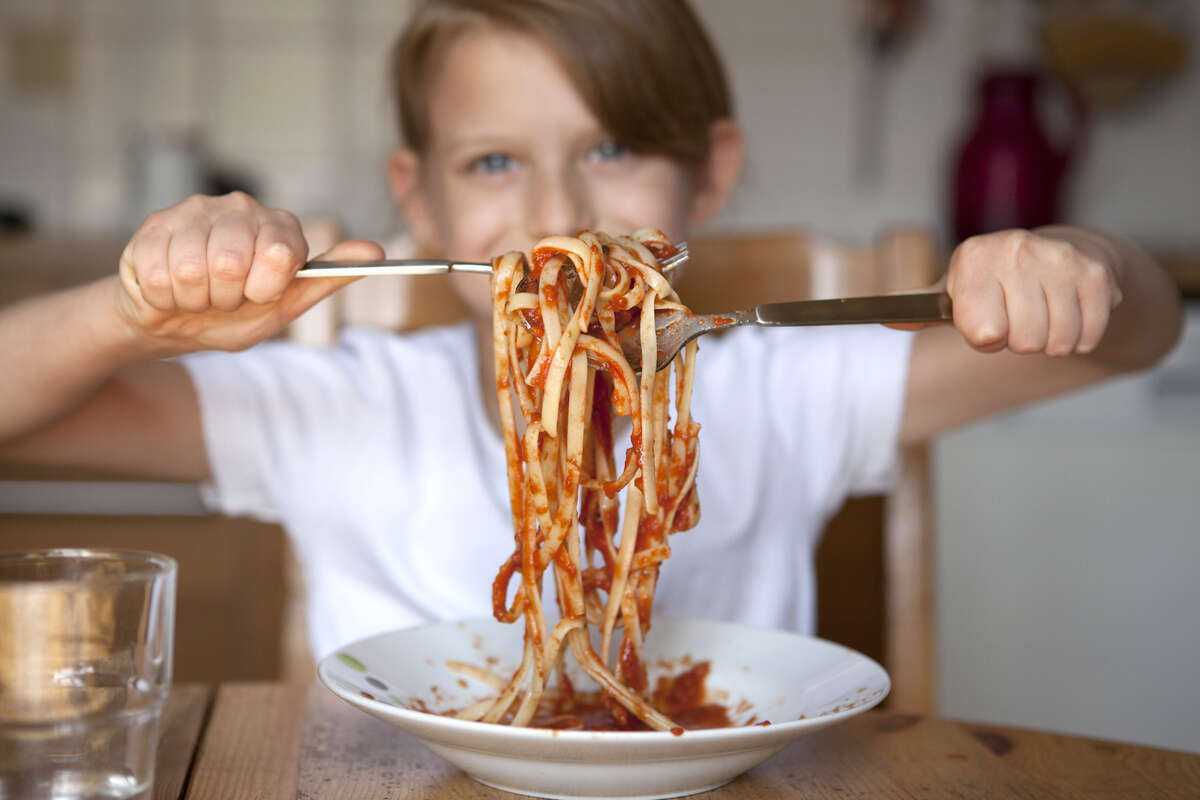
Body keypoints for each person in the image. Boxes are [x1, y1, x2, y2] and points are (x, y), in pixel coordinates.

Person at [0, 0, 1182, 660]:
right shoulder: (342, 405)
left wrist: (1085, 269)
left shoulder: (780, 387)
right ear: (422, 197)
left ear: (707, 174)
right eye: (495, 161)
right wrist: (129, 311)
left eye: (611, 148)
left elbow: (1138, 337)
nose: (560, 214)